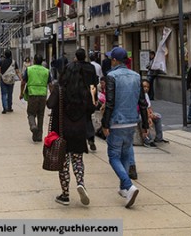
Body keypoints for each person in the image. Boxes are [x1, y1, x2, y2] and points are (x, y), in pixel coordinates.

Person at [101, 46, 148, 208]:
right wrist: (145, 124)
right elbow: (143, 102)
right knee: (126, 153)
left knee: (113, 156)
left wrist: (105, 123)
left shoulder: (111, 76)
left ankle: (128, 185)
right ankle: (123, 189)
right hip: (132, 121)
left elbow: (110, 102)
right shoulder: (136, 76)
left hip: (116, 121)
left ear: (114, 60)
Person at [47, 62, 95, 206]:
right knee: (77, 159)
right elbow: (91, 109)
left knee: (63, 163)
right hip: (79, 131)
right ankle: (80, 183)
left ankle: (65, 195)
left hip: (62, 132)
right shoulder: (84, 90)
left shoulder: (60, 89)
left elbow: (50, 104)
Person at [21, 55, 49, 142]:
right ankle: (39, 136)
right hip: (43, 95)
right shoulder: (46, 71)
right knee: (41, 115)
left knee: (31, 113)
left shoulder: (29, 69)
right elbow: (51, 84)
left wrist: (21, 93)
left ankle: (33, 125)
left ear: (34, 61)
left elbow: (23, 82)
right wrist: (51, 96)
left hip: (32, 94)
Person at [140, 79, 167, 146]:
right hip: (140, 114)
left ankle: (159, 138)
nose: (146, 88)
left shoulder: (146, 95)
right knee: (142, 119)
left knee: (158, 116)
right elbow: (142, 108)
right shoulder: (138, 95)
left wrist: (151, 114)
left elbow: (149, 107)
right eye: (144, 86)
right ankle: (148, 140)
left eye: (148, 87)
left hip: (146, 112)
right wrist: (148, 116)